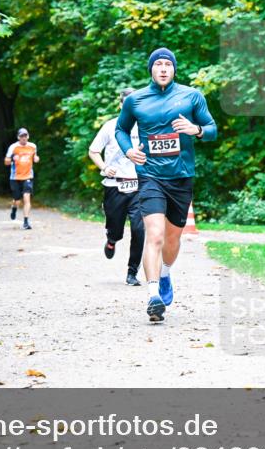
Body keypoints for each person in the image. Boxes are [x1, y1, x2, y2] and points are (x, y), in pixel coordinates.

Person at [116, 48, 217, 322]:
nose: (163, 68)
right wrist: (129, 151)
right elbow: (121, 129)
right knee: (155, 235)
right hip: (150, 175)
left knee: (172, 239)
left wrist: (196, 130)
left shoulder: (191, 96)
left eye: (167, 64)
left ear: (174, 69)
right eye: (158, 64)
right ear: (151, 69)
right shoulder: (135, 100)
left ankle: (164, 274)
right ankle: (153, 297)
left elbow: (212, 129)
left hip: (181, 176)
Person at [89, 87, 144, 286]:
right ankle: (111, 240)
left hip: (139, 186)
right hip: (114, 185)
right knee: (116, 228)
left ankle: (132, 272)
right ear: (121, 105)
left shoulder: (145, 126)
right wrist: (105, 167)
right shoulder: (110, 126)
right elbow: (93, 151)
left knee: (139, 229)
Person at [5, 128, 39, 230]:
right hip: (15, 177)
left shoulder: (33, 146)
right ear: (18, 137)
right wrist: (12, 158)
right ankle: (14, 207)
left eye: (25, 136)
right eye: (21, 136)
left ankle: (26, 222)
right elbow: (6, 161)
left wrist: (36, 159)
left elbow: (35, 157)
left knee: (26, 197)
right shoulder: (13, 147)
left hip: (28, 176)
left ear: (28, 136)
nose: (24, 138)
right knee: (17, 200)